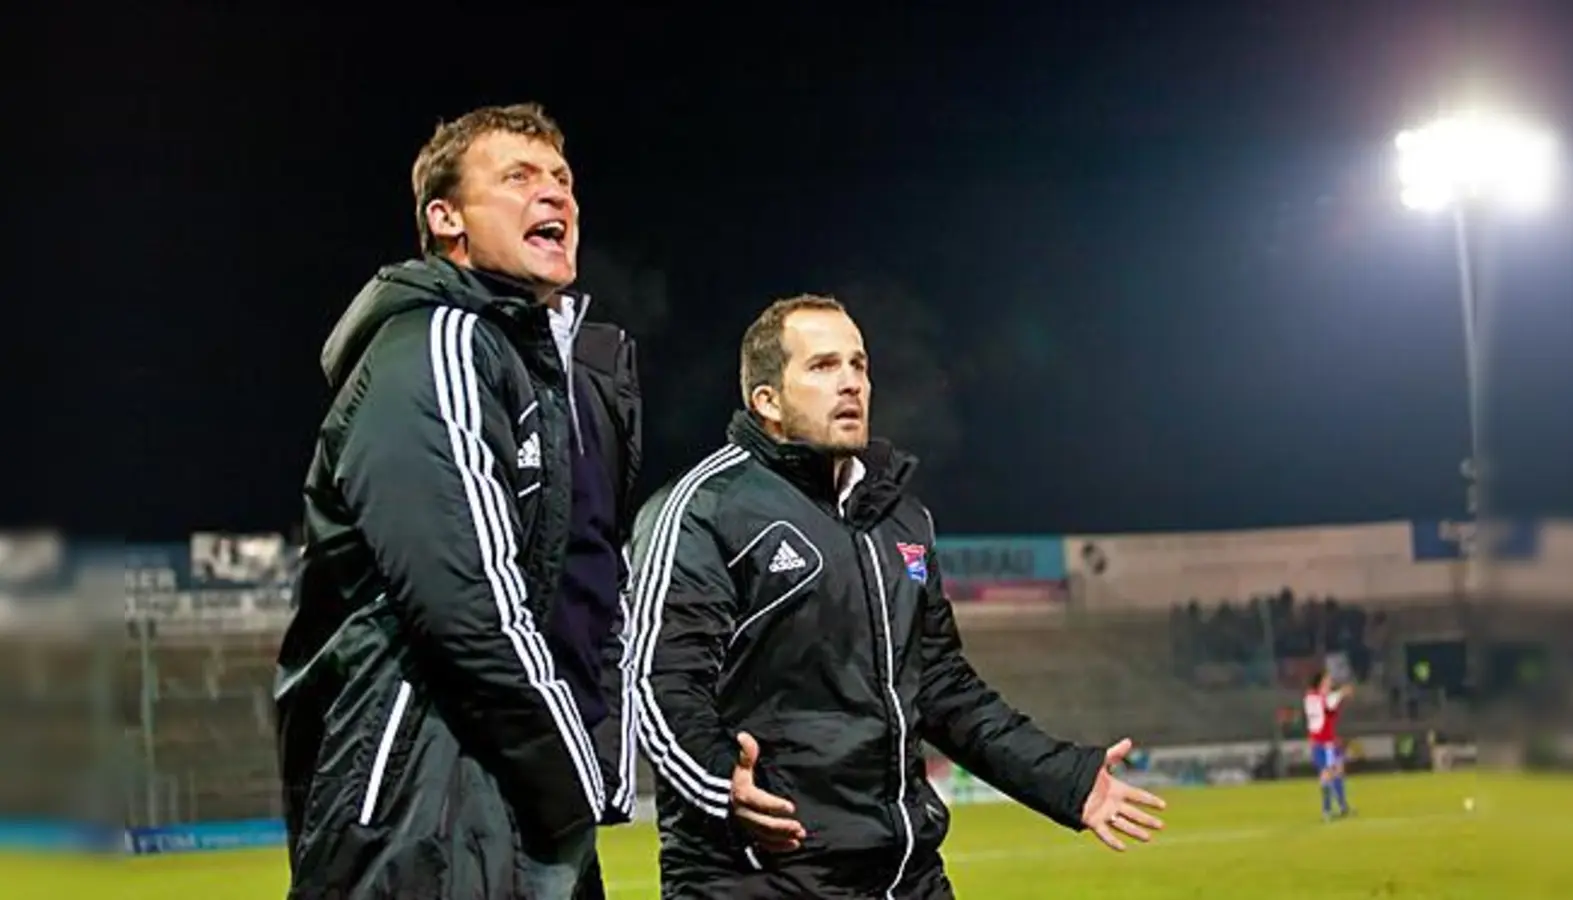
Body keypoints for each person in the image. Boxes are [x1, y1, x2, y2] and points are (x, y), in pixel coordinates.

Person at [626, 294, 1167, 897]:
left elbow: (941, 687)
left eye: (858, 364)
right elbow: (658, 680)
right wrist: (720, 780)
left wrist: (1063, 779)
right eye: (823, 366)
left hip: (901, 871)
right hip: (760, 875)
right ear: (767, 401)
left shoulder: (900, 520)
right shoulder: (702, 510)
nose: (851, 382)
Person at [275, 101, 639, 899]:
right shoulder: (435, 346)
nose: (555, 193)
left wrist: (599, 765)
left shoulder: (567, 380)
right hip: (425, 810)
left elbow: (596, 592)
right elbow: (471, 606)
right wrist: (577, 781)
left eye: (562, 178)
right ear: (447, 220)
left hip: (526, 803)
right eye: (518, 177)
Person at [1304, 669, 1353, 820]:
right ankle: (1327, 809)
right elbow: (1327, 703)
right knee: (1327, 773)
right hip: (1323, 742)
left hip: (1329, 741)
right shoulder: (1315, 698)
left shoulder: (1314, 697)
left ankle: (1342, 806)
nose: (1330, 682)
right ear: (1321, 682)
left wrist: (1340, 694)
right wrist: (1342, 692)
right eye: (1327, 679)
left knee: (1337, 770)